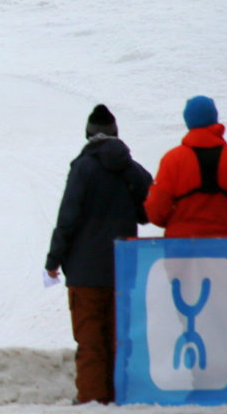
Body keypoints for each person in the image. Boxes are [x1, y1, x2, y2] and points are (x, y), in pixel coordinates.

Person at [45, 104, 152, 406]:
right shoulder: (131, 169)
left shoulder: (83, 167)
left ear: (88, 135)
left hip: (85, 272)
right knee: (119, 336)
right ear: (116, 134)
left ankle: (93, 400)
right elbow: (150, 211)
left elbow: (68, 217)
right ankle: (122, 395)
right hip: (124, 267)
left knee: (90, 339)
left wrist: (53, 260)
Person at [144, 95, 227, 237]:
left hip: (181, 247)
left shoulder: (173, 160)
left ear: (188, 121)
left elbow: (157, 212)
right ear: (214, 118)